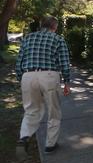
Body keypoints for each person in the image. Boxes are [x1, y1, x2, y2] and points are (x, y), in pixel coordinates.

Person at [15, 15, 71, 155]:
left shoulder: (27, 38)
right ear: (54, 26)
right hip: (49, 76)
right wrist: (67, 82)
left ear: (41, 25)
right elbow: (64, 62)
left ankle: (24, 138)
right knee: (53, 111)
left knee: (31, 110)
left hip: (28, 75)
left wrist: (20, 78)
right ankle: (50, 145)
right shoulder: (58, 39)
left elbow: (19, 61)